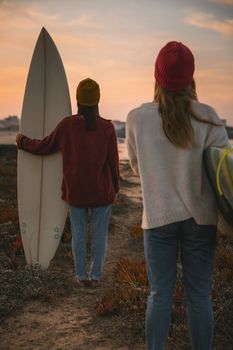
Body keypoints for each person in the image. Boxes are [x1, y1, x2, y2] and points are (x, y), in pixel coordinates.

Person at [126, 41, 231, 350]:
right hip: (201, 220)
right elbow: (224, 173)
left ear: (157, 77)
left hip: (158, 218)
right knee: (198, 295)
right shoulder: (209, 118)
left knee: (159, 294)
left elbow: (135, 168)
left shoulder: (136, 119)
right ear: (191, 78)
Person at [16, 78, 120, 288]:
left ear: (78, 101)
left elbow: (44, 146)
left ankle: (81, 276)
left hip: (76, 192)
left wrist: (22, 141)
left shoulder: (68, 125)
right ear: (97, 101)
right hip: (101, 192)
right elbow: (113, 162)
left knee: (79, 235)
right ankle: (96, 276)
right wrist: (115, 187)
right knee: (100, 236)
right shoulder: (107, 128)